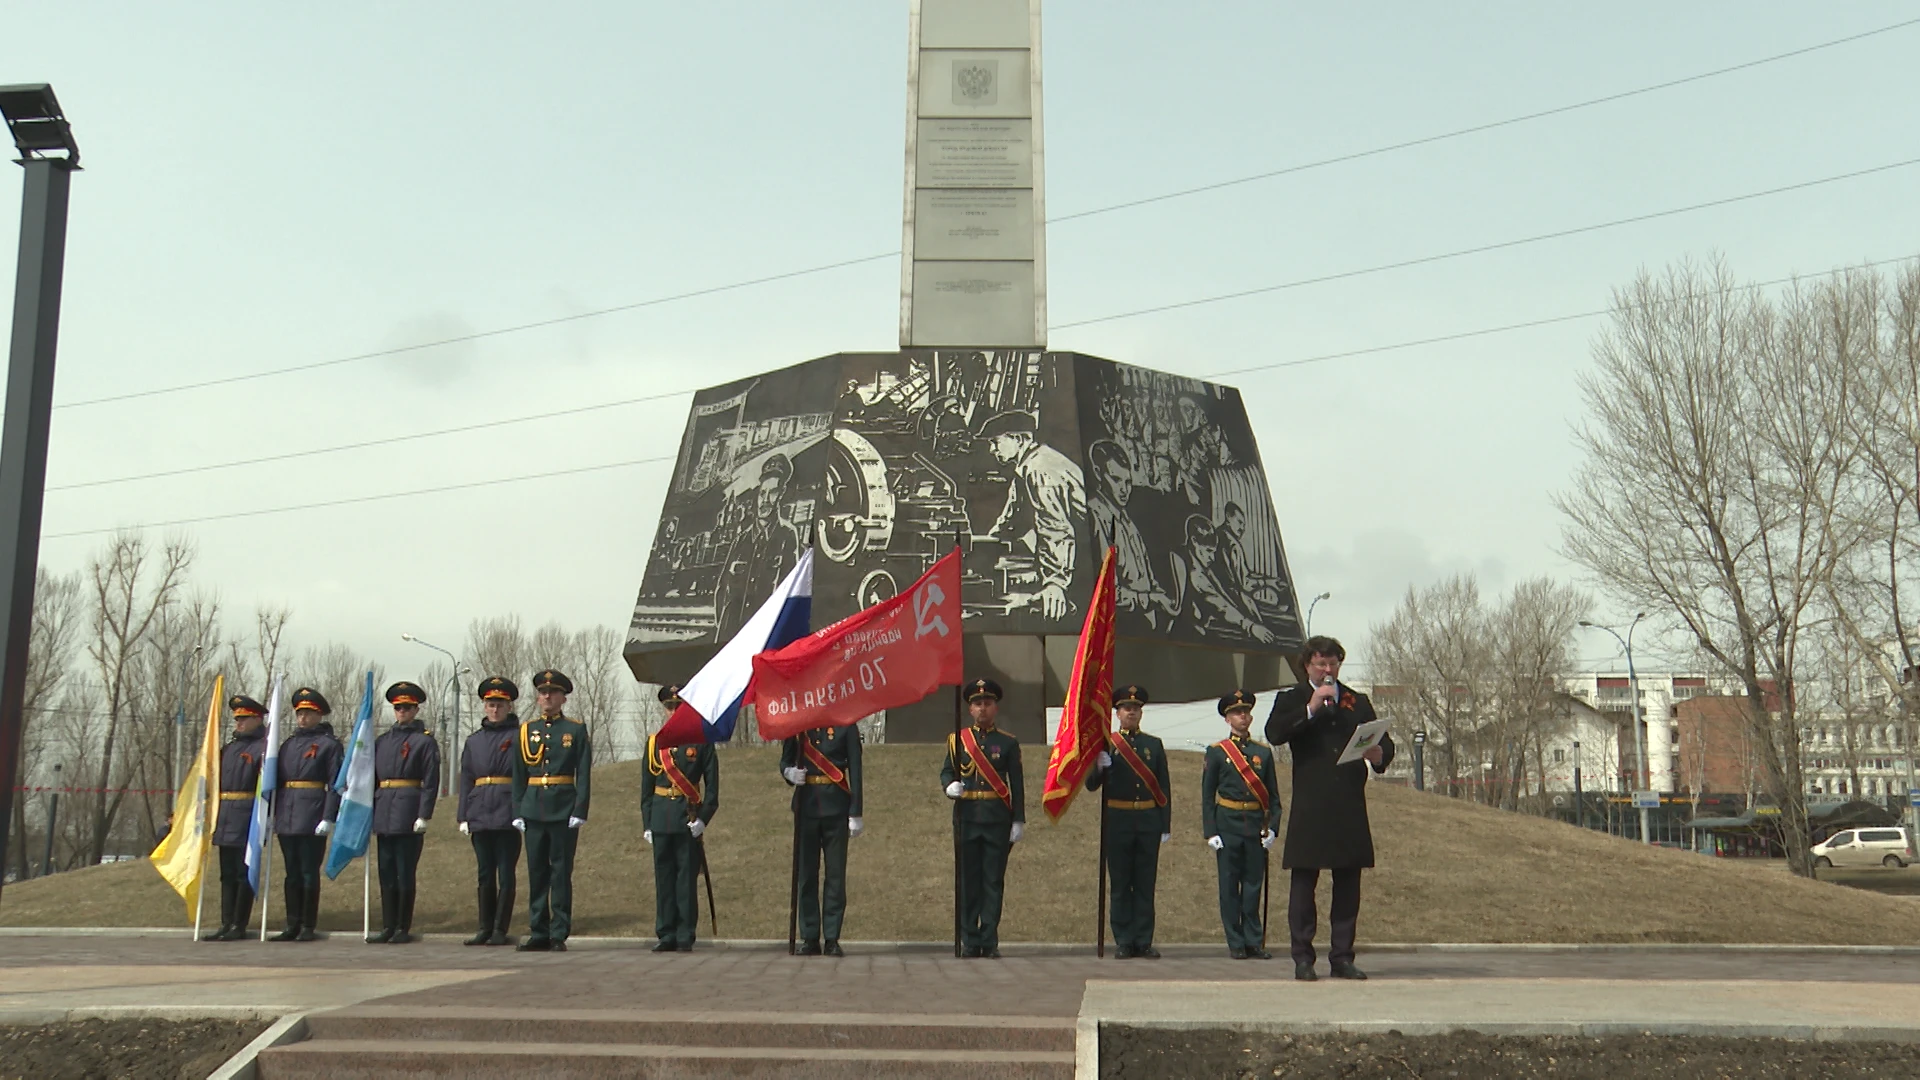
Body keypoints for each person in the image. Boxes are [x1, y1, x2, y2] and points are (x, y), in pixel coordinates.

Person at [1266, 635, 1395, 981]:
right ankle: (1303, 959)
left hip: (1349, 802)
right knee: (1304, 881)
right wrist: (1311, 707)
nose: (1328, 669)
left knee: (1348, 882)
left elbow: (1384, 742)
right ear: (1307, 665)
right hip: (1311, 802)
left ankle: (1342, 957)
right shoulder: (1292, 698)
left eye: (1333, 663)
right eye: (1321, 663)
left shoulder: (1356, 700)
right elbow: (1275, 732)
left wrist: (1380, 754)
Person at [1084, 683, 1171, 959]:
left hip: (1147, 819)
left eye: (1135, 709)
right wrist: (1099, 766)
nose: (1131, 713)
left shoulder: (1153, 745)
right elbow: (1090, 785)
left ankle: (1143, 940)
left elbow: (1164, 789)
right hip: (1118, 820)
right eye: (1126, 708)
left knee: (1145, 883)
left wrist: (1164, 825)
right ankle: (1123, 939)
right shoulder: (1107, 744)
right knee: (1121, 883)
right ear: (1117, 713)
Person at [940, 677, 1024, 958]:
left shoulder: (1008, 743)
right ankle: (969, 939)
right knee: (968, 881)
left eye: (987, 703)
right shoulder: (957, 740)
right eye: (977, 704)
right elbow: (947, 771)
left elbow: (1017, 783)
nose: (983, 708)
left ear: (995, 708)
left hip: (996, 819)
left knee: (992, 881)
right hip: (967, 818)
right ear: (970, 709)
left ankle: (989, 940)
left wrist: (1018, 820)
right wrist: (949, 786)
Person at [511, 669, 592, 952]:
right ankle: (538, 931)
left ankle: (559, 932)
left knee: (560, 872)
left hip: (563, 808)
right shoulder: (526, 731)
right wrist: (518, 810)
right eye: (543, 693)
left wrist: (580, 808)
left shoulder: (575, 729)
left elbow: (583, 772)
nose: (547, 697)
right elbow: (518, 773)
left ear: (563, 698)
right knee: (536, 872)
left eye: (553, 693)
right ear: (537, 698)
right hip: (533, 808)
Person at [977, 411, 1086, 620]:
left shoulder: (1041, 469)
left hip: (1081, 562)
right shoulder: (1027, 466)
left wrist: (1055, 583)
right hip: (1070, 557)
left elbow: (1056, 528)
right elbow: (1011, 520)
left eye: (995, 442)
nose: (991, 449)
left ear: (1018, 439)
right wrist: (983, 550)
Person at [1201, 689, 1280, 960]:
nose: (1242, 716)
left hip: (1255, 828)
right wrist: (1210, 831)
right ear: (1227, 719)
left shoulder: (1263, 754)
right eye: (1236, 713)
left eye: (1245, 711)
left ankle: (1253, 941)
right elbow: (1207, 795)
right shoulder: (1216, 753)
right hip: (1228, 825)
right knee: (1229, 886)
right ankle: (1235, 942)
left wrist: (1273, 828)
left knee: (1252, 886)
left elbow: (1274, 796)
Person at [641, 684, 717, 953]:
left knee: (686, 878)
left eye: (678, 706)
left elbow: (713, 791)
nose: (673, 711)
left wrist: (703, 820)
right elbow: (646, 788)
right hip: (661, 817)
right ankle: (666, 932)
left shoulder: (701, 742)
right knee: (664, 878)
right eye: (669, 707)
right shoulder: (654, 743)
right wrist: (647, 823)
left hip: (687, 818)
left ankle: (685, 933)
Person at [780, 717, 864, 956]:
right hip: (806, 807)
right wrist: (788, 772)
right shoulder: (797, 725)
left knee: (835, 876)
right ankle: (809, 937)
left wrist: (856, 811)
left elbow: (856, 769)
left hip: (836, 805)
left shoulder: (846, 724)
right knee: (806, 875)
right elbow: (785, 759)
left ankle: (832, 937)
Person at [368, 681, 440, 944]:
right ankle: (388, 925)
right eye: (398, 707)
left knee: (404, 872)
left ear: (416, 709)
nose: (402, 711)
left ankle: (402, 927)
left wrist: (424, 814)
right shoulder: (382, 741)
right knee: (385, 872)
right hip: (384, 809)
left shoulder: (424, 742)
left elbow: (430, 781)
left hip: (409, 811)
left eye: (407, 707)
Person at [271, 687, 342, 942]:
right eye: (300, 713)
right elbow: (278, 781)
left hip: (312, 813)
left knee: (308, 872)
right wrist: (273, 813)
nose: (303, 718)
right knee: (291, 873)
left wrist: (328, 816)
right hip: (287, 814)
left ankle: (308, 925)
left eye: (309, 713)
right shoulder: (288, 745)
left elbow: (336, 783)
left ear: (319, 714)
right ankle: (292, 923)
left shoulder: (329, 745)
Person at [459, 675, 523, 946]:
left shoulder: (520, 737)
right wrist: (463, 815)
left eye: (500, 704)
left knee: (506, 872)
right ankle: (484, 926)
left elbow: (525, 775)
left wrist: (522, 811)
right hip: (480, 810)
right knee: (485, 872)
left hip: (508, 811)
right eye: (490, 704)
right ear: (484, 707)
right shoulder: (474, 741)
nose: (494, 709)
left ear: (509, 706)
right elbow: (466, 778)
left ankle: (500, 928)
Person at [206, 694, 268, 943]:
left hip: (246, 817)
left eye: (244, 718)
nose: (238, 723)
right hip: (225, 816)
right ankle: (226, 921)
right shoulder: (229, 749)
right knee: (227, 874)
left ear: (257, 719)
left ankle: (239, 924)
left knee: (243, 872)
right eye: (237, 719)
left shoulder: (261, 748)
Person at [716, 454, 800, 631]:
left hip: (764, 634)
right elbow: (721, 590)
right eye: (762, 494)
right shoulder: (740, 541)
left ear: (781, 495)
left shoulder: (788, 535)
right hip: (733, 635)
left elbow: (792, 590)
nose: (765, 500)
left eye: (772, 493)